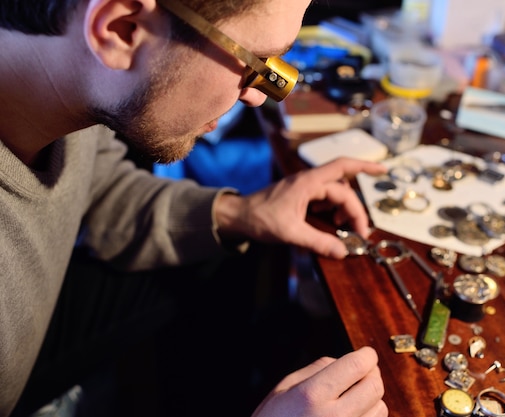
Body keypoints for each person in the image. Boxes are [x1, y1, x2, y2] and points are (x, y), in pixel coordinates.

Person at [0, 0, 389, 417]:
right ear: (122, 28)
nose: (258, 95)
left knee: (221, 260)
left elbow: (95, 185)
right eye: (257, 63)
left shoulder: (62, 91)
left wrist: (243, 215)